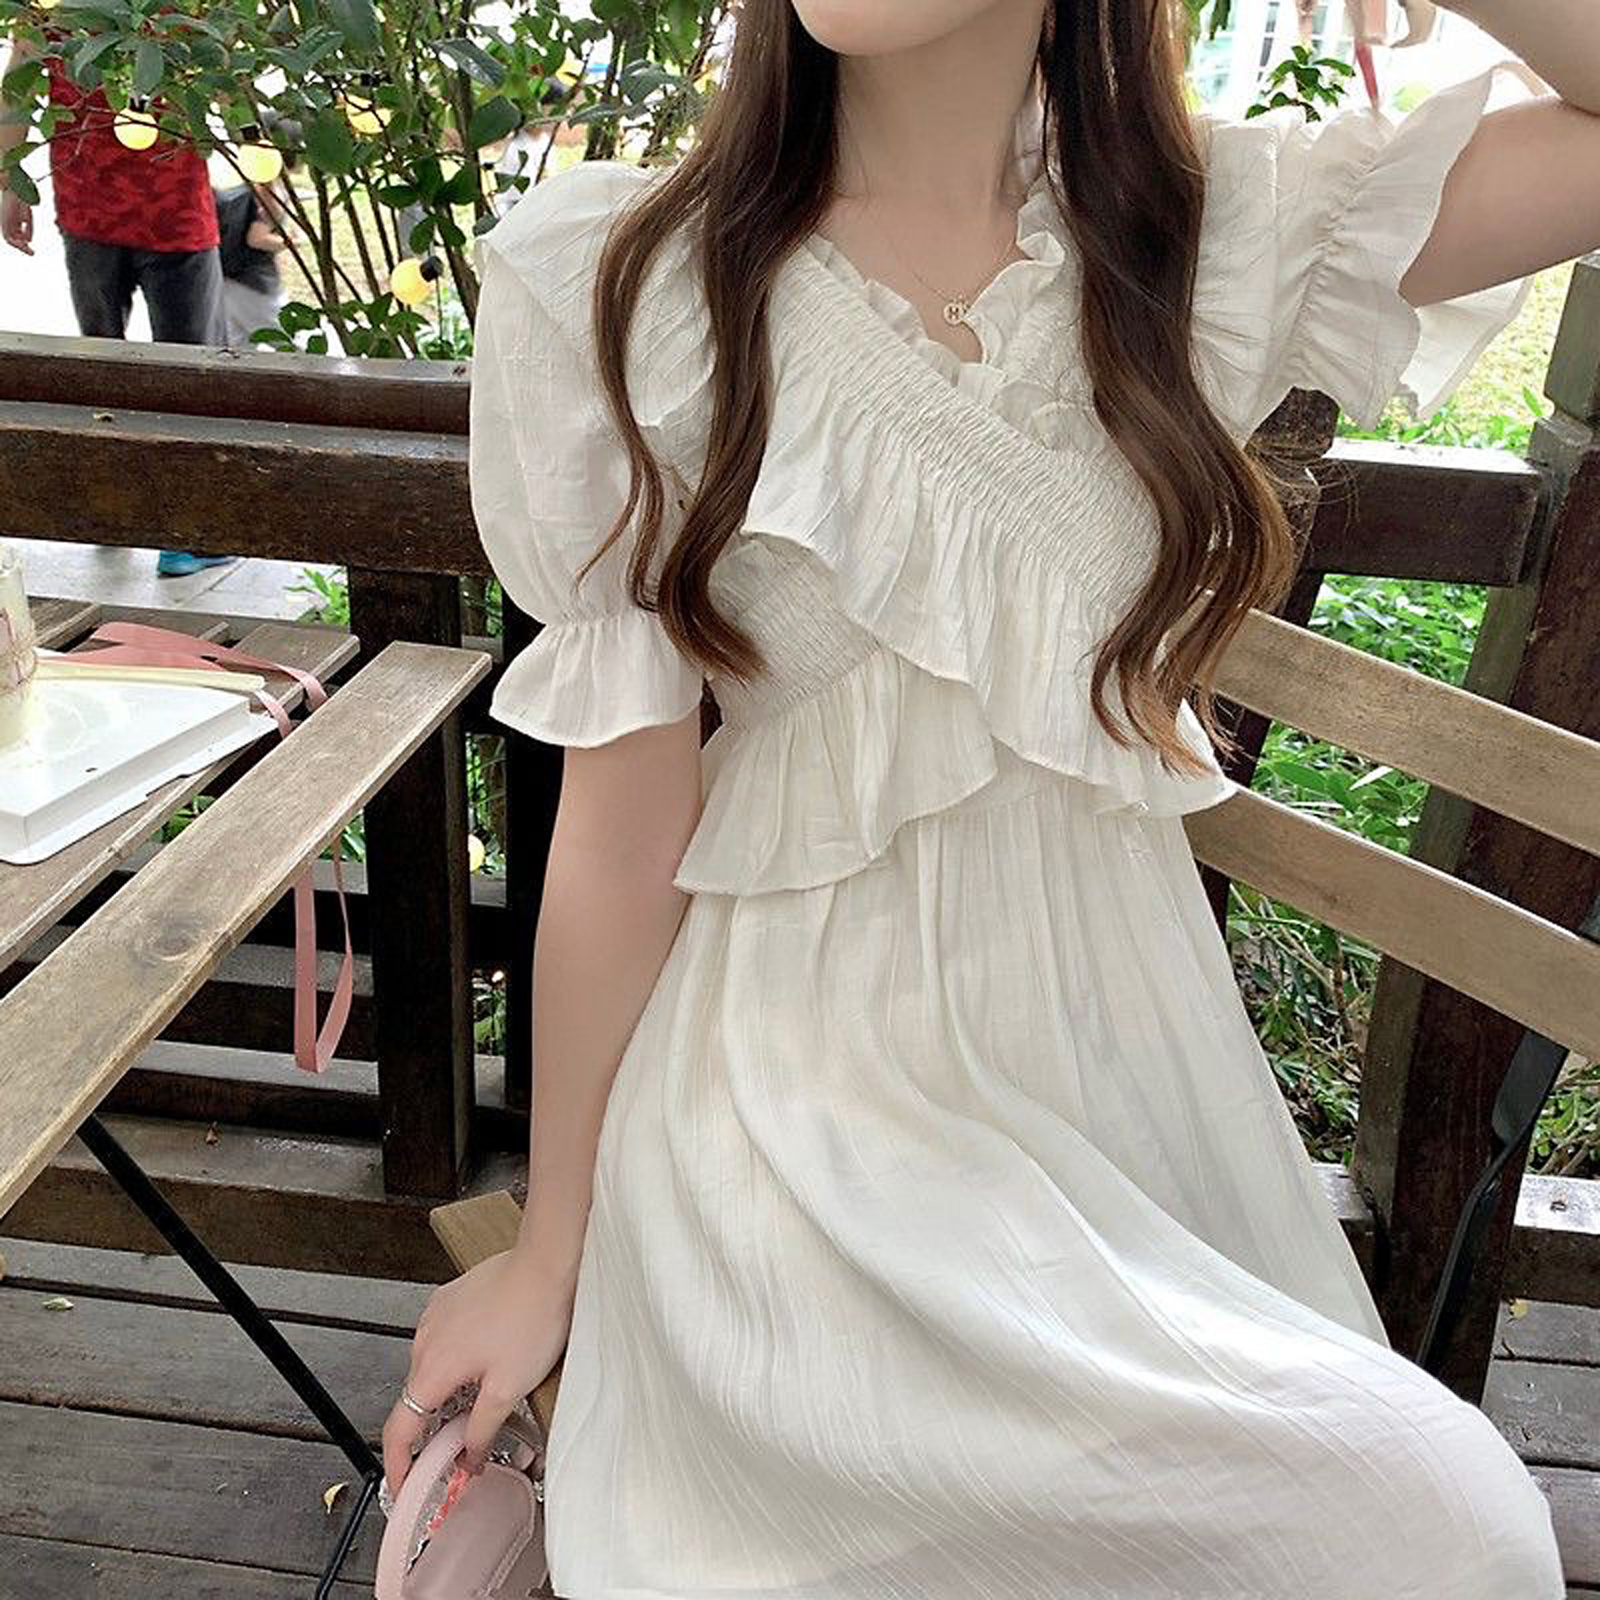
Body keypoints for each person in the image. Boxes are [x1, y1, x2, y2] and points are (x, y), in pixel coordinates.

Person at [387, 1, 1596, 1595]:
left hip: (1124, 1099)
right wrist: (553, 1247)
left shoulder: (1210, 236)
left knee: (1435, 1531)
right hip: (798, 1116)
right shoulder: (633, 277)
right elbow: (621, 828)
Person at [0, 27, 232, 579]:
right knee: (192, 376)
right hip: (170, 212)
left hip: (91, 209)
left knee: (105, 369)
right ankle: (185, 535)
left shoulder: (49, 10)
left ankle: (114, 514)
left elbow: (16, 89)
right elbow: (227, 82)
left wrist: (10, 184)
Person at [213, 180, 287, 347]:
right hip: (254, 283)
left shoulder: (241, 190)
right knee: (290, 341)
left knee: (237, 345)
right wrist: (289, 242)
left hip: (228, 277)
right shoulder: (268, 192)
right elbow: (257, 239)